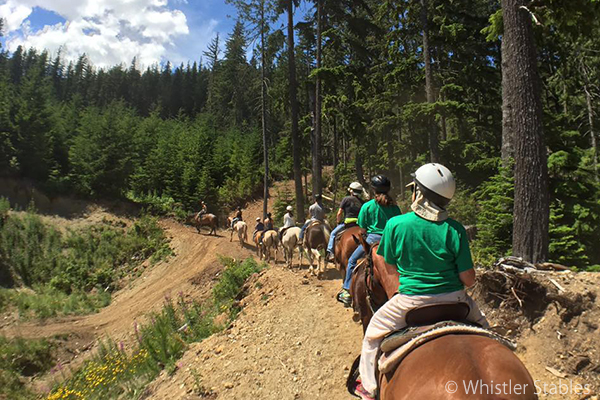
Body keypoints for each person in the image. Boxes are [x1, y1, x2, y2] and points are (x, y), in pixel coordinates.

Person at [353, 163, 489, 400]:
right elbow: (468, 279)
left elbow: (391, 264)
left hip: (410, 302)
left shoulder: (397, 225)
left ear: (419, 193)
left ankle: (368, 388)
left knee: (372, 336)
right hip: (457, 301)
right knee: (488, 334)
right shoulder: (455, 228)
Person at [337, 175, 401, 306]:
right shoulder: (395, 208)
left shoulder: (367, 206)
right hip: (391, 243)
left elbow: (362, 228)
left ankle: (347, 291)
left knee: (352, 261)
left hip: (372, 240)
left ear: (373, 190)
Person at [326, 182, 365, 261]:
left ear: (351, 191)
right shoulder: (362, 202)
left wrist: (338, 221)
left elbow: (339, 212)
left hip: (348, 224)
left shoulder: (346, 199)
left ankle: (331, 253)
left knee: (333, 234)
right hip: (359, 224)